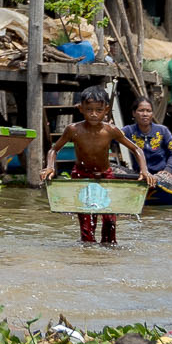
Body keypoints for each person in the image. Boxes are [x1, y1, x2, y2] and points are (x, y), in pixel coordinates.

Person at [40, 85, 143, 245]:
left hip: (105, 176)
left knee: (110, 219)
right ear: (81, 109)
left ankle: (107, 253)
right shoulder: (73, 130)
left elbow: (136, 149)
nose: (94, 114)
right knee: (87, 223)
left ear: (106, 110)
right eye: (89, 110)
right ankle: (88, 254)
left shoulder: (111, 130)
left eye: (99, 110)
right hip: (81, 176)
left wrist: (145, 170)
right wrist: (50, 167)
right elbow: (54, 149)